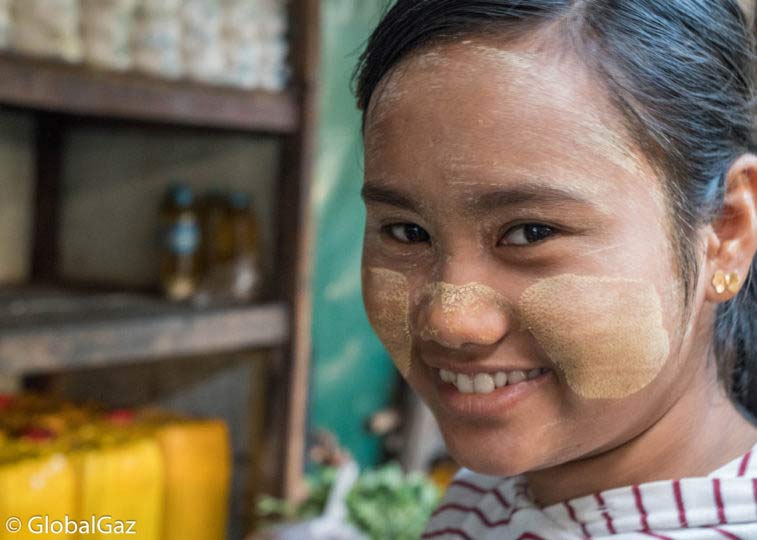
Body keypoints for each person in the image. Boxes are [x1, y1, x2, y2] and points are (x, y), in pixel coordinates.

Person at [353, 1, 757, 538]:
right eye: (407, 232)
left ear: (727, 231)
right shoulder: (486, 498)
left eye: (532, 233)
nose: (451, 320)